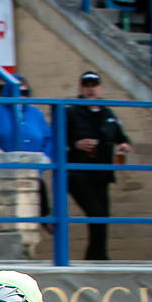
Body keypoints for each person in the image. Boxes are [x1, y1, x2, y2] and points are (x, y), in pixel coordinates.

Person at [62, 71, 130, 261]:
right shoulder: (71, 112)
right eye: (86, 86)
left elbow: (121, 137)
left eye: (94, 86)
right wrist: (76, 144)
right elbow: (58, 139)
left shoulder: (107, 113)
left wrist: (124, 145)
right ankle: (97, 259)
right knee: (96, 213)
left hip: (102, 174)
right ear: (81, 88)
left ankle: (98, 258)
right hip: (78, 174)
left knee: (102, 218)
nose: (90, 90)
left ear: (100, 88)